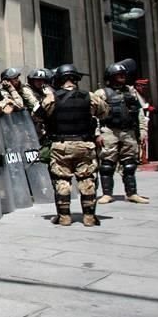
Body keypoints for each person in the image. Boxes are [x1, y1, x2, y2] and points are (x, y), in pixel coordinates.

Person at [41, 64, 108, 226]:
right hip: (84, 144)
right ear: (76, 79)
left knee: (61, 179)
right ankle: (89, 217)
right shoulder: (89, 96)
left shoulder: (52, 98)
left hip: (60, 145)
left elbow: (40, 116)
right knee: (87, 179)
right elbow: (105, 112)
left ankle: (64, 217)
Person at [94, 62, 149, 204]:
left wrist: (143, 131)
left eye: (123, 75)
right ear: (111, 77)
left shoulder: (131, 92)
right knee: (107, 164)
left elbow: (139, 113)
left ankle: (132, 193)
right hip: (109, 131)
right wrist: (97, 133)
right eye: (119, 75)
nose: (122, 77)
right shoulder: (101, 93)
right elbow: (93, 114)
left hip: (128, 131)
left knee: (130, 164)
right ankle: (107, 194)